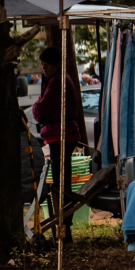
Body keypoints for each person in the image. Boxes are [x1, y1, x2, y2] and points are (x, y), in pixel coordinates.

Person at [32, 46, 83, 244]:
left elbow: (40, 109)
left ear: (54, 64)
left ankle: (65, 227)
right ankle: (64, 226)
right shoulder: (55, 80)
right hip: (59, 135)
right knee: (62, 180)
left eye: (45, 65)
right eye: (42, 65)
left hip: (61, 136)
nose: (43, 68)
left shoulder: (58, 82)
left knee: (62, 182)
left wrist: (38, 106)